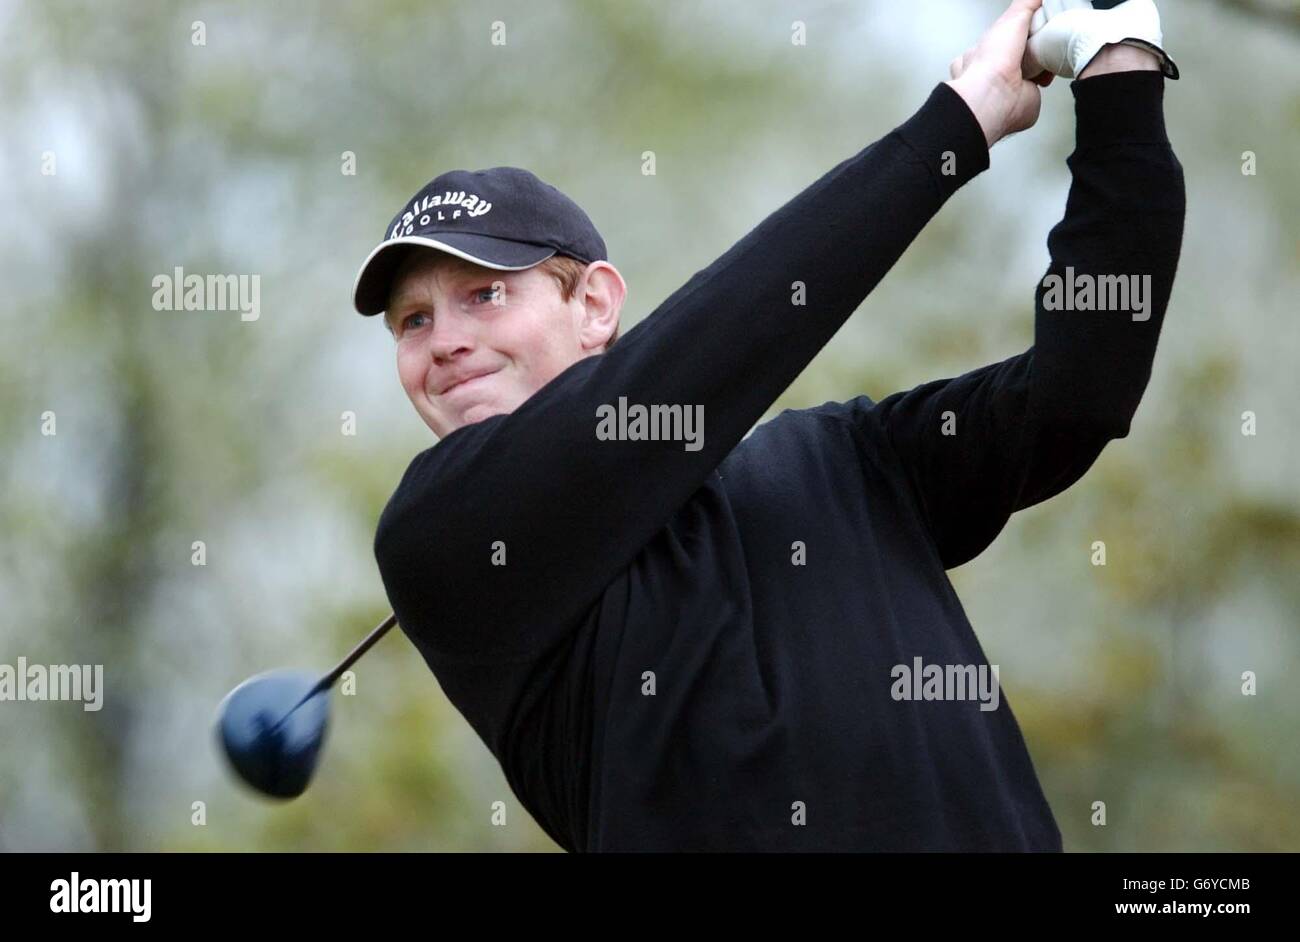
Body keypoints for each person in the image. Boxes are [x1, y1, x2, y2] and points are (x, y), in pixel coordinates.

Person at [351, 0, 1185, 851]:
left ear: (594, 303)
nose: (445, 341)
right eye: (412, 322)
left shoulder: (842, 461)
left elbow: (1082, 391)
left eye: (485, 294)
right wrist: (956, 127)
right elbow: (714, 346)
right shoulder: (442, 540)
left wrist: (1120, 76)